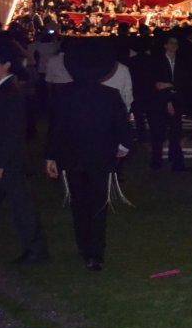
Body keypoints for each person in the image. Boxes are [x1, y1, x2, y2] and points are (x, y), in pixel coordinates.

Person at [43, 39, 131, 271]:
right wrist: (122, 149)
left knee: (79, 204)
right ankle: (95, 253)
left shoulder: (64, 95)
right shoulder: (110, 95)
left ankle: (85, 246)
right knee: (98, 205)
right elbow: (123, 129)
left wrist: (51, 156)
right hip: (100, 158)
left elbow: (57, 128)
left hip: (73, 158)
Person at [0, 40, 50, 265]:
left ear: (6, 65)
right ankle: (36, 251)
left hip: (5, 162)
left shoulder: (11, 93)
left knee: (21, 207)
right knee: (14, 205)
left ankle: (36, 251)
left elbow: (12, 132)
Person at [149, 35, 187, 171]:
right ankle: (156, 162)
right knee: (158, 133)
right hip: (160, 102)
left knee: (176, 133)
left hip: (177, 100)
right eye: (171, 43)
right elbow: (157, 84)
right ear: (165, 45)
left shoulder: (181, 61)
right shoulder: (157, 61)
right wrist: (168, 96)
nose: (174, 46)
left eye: (176, 43)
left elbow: (183, 81)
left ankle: (176, 161)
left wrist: (169, 85)